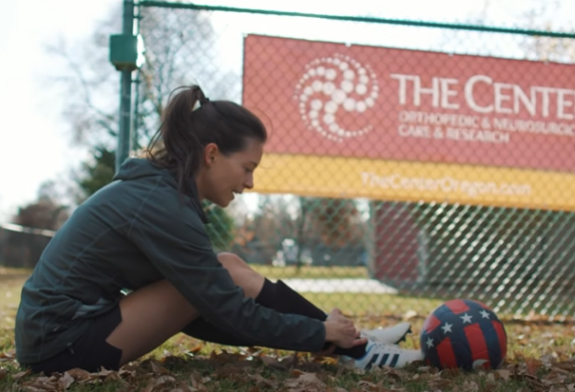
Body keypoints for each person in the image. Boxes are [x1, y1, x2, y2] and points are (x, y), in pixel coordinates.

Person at [15, 85, 423, 374]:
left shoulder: (161, 193)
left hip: (65, 333)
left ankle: (355, 343)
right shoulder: (160, 205)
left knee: (223, 265)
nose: (250, 184)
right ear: (211, 154)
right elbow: (226, 311)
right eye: (247, 168)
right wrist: (317, 334)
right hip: (58, 346)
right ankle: (355, 347)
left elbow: (202, 310)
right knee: (221, 276)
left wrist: (322, 335)